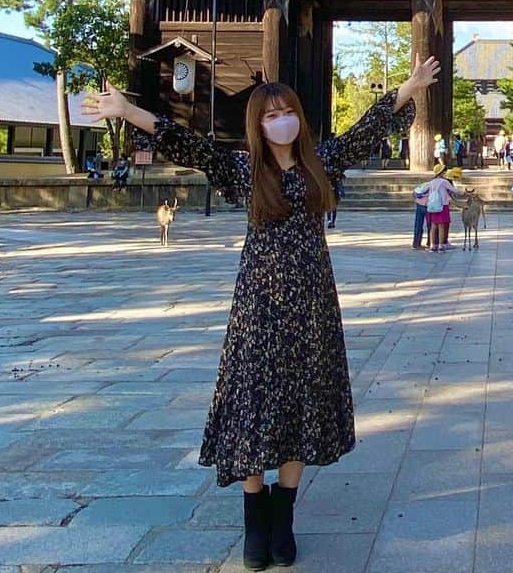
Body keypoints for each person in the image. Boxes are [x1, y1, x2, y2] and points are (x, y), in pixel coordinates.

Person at [82, 55, 438, 571]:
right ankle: (254, 514)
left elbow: (368, 128)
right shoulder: (242, 170)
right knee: (252, 402)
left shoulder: (323, 161)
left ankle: (284, 514)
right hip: (259, 306)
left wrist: (408, 87)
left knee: (300, 400)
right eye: (270, 115)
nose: (281, 121)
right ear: (258, 123)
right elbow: (185, 142)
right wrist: (127, 111)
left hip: (312, 306)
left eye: (287, 111)